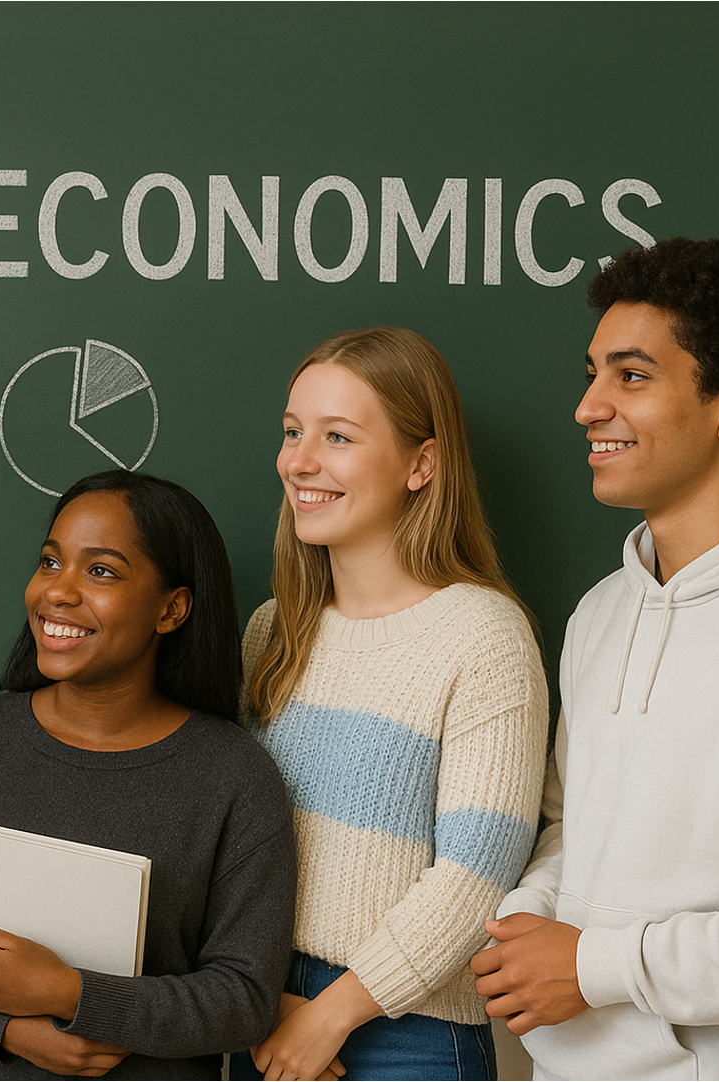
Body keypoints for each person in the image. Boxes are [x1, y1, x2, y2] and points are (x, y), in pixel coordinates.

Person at [471, 237, 719, 1079]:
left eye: (632, 376)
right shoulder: (600, 612)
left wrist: (591, 966)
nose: (587, 406)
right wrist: (526, 922)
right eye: (592, 373)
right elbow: (568, 826)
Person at [0, 470, 296, 1080]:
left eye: (101, 571)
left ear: (171, 610)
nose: (57, 592)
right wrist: (9, 1032)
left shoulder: (234, 775)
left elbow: (244, 999)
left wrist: (71, 993)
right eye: (49, 561)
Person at [237, 327, 548, 1081]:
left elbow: (477, 874)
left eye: (337, 436)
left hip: (404, 1036)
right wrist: (263, 997)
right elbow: (232, 845)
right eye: (292, 431)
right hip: (266, 1012)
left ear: (423, 463)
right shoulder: (273, 630)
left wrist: (334, 1013)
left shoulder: (485, 637)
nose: (300, 461)